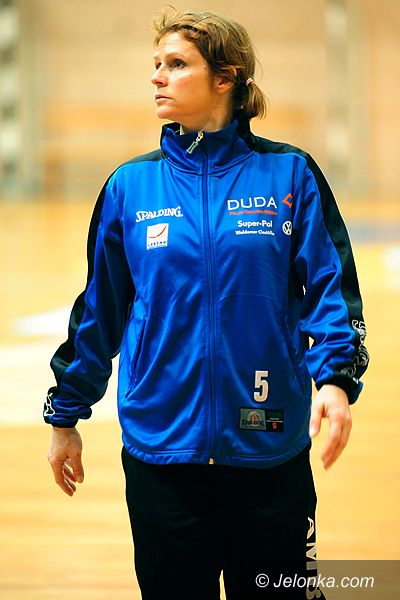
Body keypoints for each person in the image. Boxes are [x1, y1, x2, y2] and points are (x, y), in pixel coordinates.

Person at [45, 8, 369, 600]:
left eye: (176, 64)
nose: (157, 77)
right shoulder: (129, 187)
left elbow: (331, 288)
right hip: (162, 455)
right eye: (156, 64)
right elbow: (99, 311)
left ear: (226, 77)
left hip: (269, 448)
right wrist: (66, 414)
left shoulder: (290, 174)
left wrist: (335, 381)